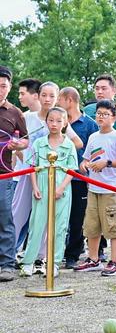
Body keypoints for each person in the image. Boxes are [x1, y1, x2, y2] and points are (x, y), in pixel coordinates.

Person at [12, 82, 82, 270]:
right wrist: (22, 151)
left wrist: (58, 155)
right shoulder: (26, 117)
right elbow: (17, 142)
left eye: (52, 96)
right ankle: (10, 255)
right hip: (27, 174)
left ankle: (44, 259)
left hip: (54, 177)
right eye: (44, 95)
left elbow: (77, 143)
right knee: (19, 214)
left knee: (51, 220)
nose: (47, 99)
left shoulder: (59, 118)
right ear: (38, 96)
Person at [73, 100, 116, 276]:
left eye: (105, 114)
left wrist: (107, 163)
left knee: (114, 226)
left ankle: (115, 262)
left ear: (113, 117)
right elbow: (86, 158)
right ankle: (93, 259)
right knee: (92, 225)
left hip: (112, 189)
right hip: (93, 188)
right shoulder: (93, 137)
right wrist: (84, 164)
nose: (101, 117)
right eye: (98, 113)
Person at [20, 107, 78, 277]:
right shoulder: (39, 143)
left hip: (62, 190)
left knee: (59, 227)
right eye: (51, 120)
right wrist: (35, 187)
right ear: (46, 121)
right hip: (42, 188)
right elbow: (31, 167)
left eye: (59, 120)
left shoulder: (68, 144)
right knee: (36, 225)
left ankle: (54, 264)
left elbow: (71, 170)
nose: (54, 124)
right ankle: (28, 262)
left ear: (65, 122)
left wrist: (61, 188)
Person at [58, 87, 99, 269]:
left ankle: (73, 254)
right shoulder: (56, 120)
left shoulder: (90, 124)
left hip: (80, 178)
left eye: (59, 99)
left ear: (69, 100)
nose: (57, 103)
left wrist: (87, 162)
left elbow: (97, 149)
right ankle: (55, 253)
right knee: (59, 216)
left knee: (77, 218)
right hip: (58, 175)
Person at [0, 66, 28, 282]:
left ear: (9, 87)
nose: (0, 90)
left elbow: (26, 140)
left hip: (4, 174)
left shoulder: (15, 112)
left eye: (3, 86)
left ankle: (7, 264)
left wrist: (17, 145)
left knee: (5, 218)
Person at [9, 79, 41, 199]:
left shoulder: (51, 119)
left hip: (42, 176)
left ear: (35, 95)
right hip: (20, 175)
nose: (19, 97)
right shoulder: (21, 116)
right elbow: (15, 150)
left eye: (22, 94)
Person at [83, 74, 116, 143]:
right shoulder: (87, 110)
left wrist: (110, 132)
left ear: (114, 91)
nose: (100, 92)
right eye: (97, 88)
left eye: (104, 88)